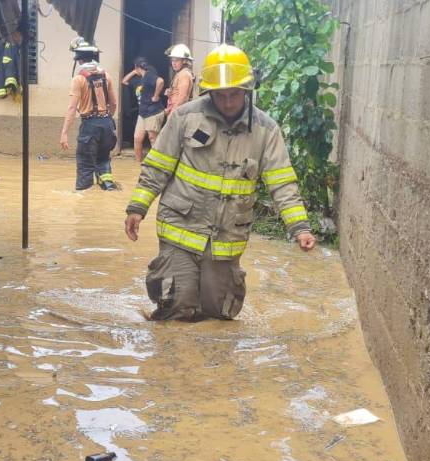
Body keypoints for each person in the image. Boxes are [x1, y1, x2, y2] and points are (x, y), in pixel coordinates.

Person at [123, 44, 316, 321]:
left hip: (227, 238)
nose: (227, 102)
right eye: (220, 95)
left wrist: (300, 228)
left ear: (247, 90)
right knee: (176, 308)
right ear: (208, 91)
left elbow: (282, 183)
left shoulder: (266, 130)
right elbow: (157, 167)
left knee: (218, 316)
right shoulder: (184, 117)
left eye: (234, 94)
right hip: (180, 228)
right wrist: (137, 208)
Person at [60, 37, 118, 191]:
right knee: (103, 161)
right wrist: (107, 119)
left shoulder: (78, 79)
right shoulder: (107, 75)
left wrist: (64, 133)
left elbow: (72, 108)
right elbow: (114, 104)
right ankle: (108, 189)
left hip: (89, 126)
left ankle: (84, 201)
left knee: (85, 165)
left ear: (78, 58)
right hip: (107, 124)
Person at [120, 57, 165, 162]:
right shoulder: (138, 78)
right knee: (137, 138)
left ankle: (157, 163)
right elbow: (124, 81)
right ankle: (138, 162)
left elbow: (160, 81)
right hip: (143, 112)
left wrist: (156, 96)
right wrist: (135, 71)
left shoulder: (149, 75)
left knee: (153, 138)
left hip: (153, 111)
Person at [164, 44, 195, 114]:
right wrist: (171, 92)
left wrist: (172, 114)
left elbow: (183, 97)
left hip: (178, 115)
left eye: (177, 60)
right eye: (172, 60)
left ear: (184, 61)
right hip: (176, 112)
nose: (174, 63)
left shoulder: (184, 75)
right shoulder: (180, 74)